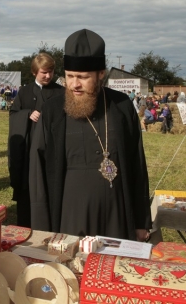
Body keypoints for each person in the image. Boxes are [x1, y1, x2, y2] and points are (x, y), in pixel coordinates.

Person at [29, 29, 151, 240]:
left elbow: (137, 164)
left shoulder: (121, 106)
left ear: (101, 74)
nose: (75, 84)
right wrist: (41, 227)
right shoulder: (53, 110)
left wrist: (141, 221)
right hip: (70, 215)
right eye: (70, 76)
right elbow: (38, 170)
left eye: (83, 77)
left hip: (117, 214)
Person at [8, 52, 63, 227]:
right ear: (34, 72)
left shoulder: (60, 92)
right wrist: (27, 115)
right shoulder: (24, 92)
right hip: (28, 150)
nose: (48, 76)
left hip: (51, 149)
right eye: (43, 72)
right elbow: (13, 114)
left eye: (50, 72)